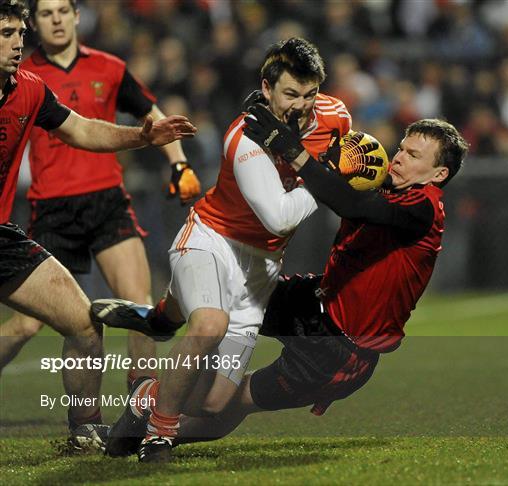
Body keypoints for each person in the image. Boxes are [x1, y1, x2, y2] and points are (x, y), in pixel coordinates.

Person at [94, 117, 468, 462]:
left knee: (223, 405)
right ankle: (163, 320)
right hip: (316, 299)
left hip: (340, 351)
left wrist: (297, 153)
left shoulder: (425, 208)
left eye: (413, 155)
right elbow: (344, 187)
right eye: (401, 147)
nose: (398, 157)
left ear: (439, 172)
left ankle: (148, 414)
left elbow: (353, 204)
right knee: (226, 290)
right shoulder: (387, 184)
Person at [91, 37, 352, 462]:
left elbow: (345, 154)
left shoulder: (336, 117)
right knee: (209, 324)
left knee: (213, 404)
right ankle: (158, 435)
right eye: (290, 94)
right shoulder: (245, 136)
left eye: (310, 94)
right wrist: (327, 176)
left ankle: (144, 397)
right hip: (211, 240)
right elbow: (280, 218)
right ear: (267, 89)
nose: (301, 106)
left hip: (260, 271)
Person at [0, 0, 196, 449]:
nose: (18, 43)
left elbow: (85, 130)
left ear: (73, 16)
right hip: (51, 209)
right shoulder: (35, 72)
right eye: (6, 34)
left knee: (92, 321)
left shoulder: (32, 86)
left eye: (18, 33)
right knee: (25, 326)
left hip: (46, 222)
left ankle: (98, 424)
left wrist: (146, 138)